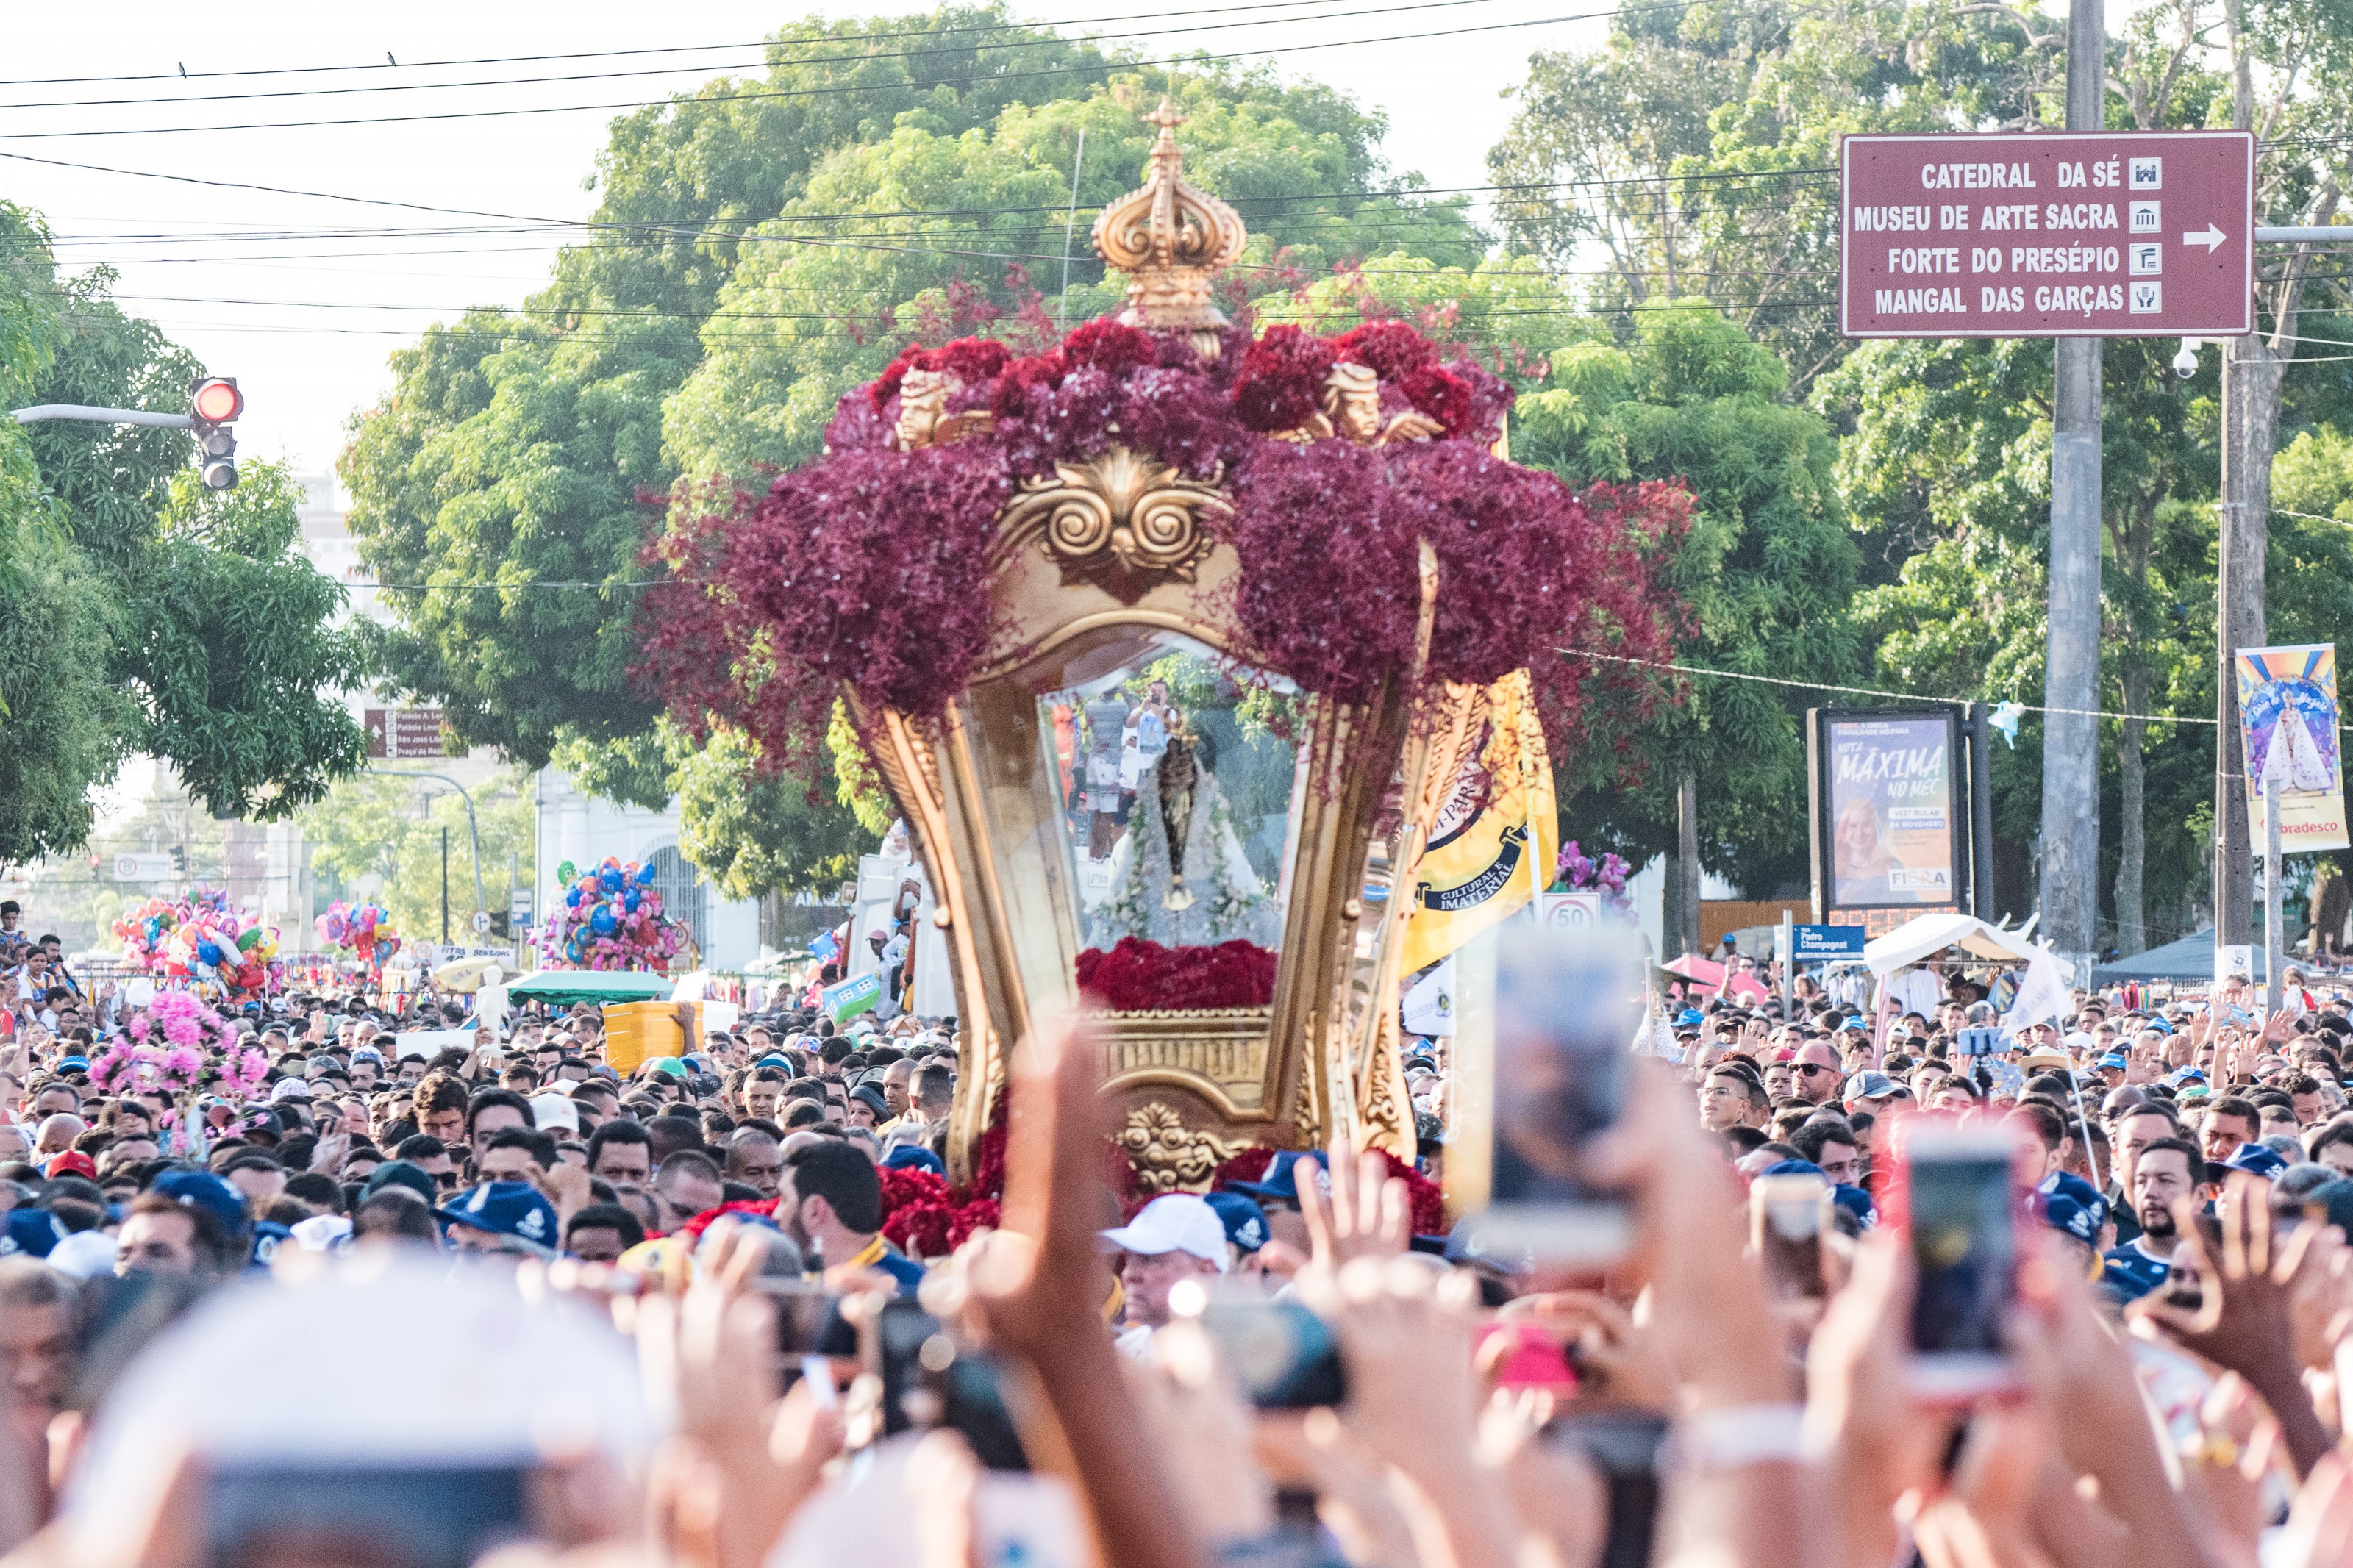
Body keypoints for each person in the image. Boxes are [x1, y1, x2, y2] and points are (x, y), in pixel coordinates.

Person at [1098, 1192, 1229, 1356]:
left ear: (1206, 1272)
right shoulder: (1120, 1357)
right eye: (1129, 1258)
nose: (1129, 1274)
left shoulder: (1252, 1359)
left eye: (1149, 1259)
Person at [2102, 1136, 2204, 1303]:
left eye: (2165, 1180)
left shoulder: (2231, 1269)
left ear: (2200, 1195)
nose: (2150, 1192)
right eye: (2141, 1182)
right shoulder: (2108, 1272)